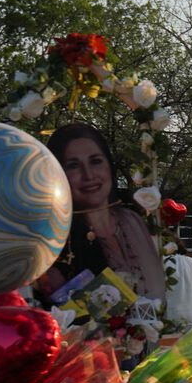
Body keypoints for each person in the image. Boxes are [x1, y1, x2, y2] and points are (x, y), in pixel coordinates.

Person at [46, 122, 165, 300]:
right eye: (73, 165)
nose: (88, 175)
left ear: (109, 165)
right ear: (58, 175)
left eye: (95, 161)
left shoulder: (132, 220)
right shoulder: (53, 241)